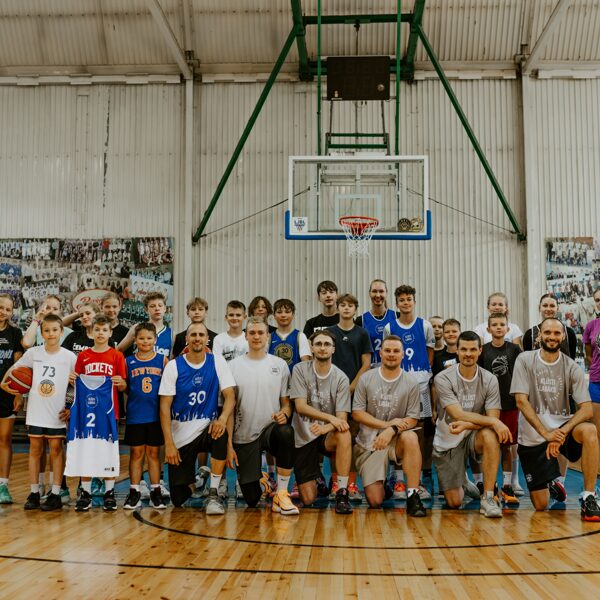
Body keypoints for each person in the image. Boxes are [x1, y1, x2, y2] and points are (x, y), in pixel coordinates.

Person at [512, 318, 600, 520]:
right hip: (533, 437)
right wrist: (547, 434)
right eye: (548, 332)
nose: (552, 337)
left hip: (562, 432)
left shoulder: (571, 367)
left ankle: (588, 496)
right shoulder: (524, 360)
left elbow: (586, 410)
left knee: (589, 430)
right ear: (540, 335)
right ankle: (551, 481)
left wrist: (561, 433)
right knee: (541, 505)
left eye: (557, 333)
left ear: (563, 337)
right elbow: (520, 402)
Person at [158, 322, 235, 514]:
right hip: (181, 434)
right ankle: (196, 482)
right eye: (193, 335)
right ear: (187, 339)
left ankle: (214, 493)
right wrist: (169, 443)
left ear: (207, 339)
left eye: (201, 335)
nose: (197, 338)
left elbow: (230, 396)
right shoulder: (174, 366)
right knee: (178, 498)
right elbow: (164, 407)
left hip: (207, 428)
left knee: (220, 433)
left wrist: (222, 418)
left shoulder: (217, 361)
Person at [2, 314, 76, 511]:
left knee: (57, 450)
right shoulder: (33, 353)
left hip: (58, 411)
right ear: (41, 334)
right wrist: (4, 383)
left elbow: (76, 385)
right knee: (35, 449)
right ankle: (34, 492)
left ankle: (55, 493)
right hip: (36, 409)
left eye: (54, 330)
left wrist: (71, 407)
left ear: (61, 332)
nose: (50, 334)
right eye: (46, 331)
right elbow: (15, 369)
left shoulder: (69, 357)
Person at [433, 331, 508, 518]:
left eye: (473, 349)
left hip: (473, 435)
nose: (468, 353)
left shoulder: (489, 379)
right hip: (448, 440)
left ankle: (488, 497)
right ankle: (463, 481)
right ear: (457, 351)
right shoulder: (443, 378)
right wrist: (491, 421)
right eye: (464, 349)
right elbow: (457, 414)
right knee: (454, 502)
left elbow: (492, 416)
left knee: (491, 436)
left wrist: (470, 425)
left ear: (480, 350)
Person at [227, 317, 298, 515]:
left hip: (270, 429)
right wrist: (229, 444)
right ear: (246, 336)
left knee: (286, 433)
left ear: (268, 336)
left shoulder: (279, 364)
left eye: (261, 333)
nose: (256, 337)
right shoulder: (233, 366)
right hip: (244, 435)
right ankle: (261, 479)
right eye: (252, 333)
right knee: (252, 499)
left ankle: (282, 493)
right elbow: (229, 409)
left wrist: (285, 413)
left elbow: (286, 403)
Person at [352, 336, 427, 516]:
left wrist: (391, 430)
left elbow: (413, 419)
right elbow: (357, 413)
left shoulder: (411, 382)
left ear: (403, 354)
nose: (391, 355)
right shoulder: (366, 379)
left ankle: (413, 495)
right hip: (370, 444)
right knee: (375, 501)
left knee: (411, 437)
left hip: (396, 440)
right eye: (387, 351)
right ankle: (385, 483)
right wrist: (386, 424)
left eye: (396, 351)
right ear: (380, 353)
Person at [289, 330, 352, 514]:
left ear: (333, 349)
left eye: (326, 344)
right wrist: (330, 418)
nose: (322, 348)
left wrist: (327, 426)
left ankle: (342, 491)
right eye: (318, 344)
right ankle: (316, 477)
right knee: (308, 499)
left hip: (326, 434)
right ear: (312, 347)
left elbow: (342, 419)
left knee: (344, 434)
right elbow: (300, 406)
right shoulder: (300, 369)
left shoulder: (341, 378)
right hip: (303, 436)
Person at [70, 315, 128, 511]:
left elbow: (123, 386)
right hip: (86, 411)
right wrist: (73, 379)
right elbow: (76, 382)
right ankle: (85, 492)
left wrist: (121, 383)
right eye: (97, 330)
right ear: (91, 332)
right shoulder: (83, 356)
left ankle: (109, 492)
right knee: (86, 450)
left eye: (105, 330)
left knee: (108, 452)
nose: (101, 333)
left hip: (109, 412)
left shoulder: (117, 356)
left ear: (110, 333)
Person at [384, 285, 435, 500]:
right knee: (397, 425)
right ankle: (396, 479)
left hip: (421, 383)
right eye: (402, 300)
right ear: (396, 304)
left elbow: (430, 353)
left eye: (409, 299)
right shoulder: (390, 326)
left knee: (420, 431)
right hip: (397, 384)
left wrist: (422, 375)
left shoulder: (425, 325)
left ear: (414, 301)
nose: (405, 303)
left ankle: (418, 480)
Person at [328, 293, 372, 500]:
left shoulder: (362, 333)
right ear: (338, 308)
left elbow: (366, 364)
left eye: (350, 305)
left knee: (351, 438)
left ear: (355, 309)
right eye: (343, 305)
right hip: (332, 392)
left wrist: (352, 387)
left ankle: (351, 484)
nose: (346, 308)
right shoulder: (330, 333)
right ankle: (336, 483)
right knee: (334, 437)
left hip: (354, 392)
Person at [478, 312, 522, 505]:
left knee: (507, 446)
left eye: (501, 324)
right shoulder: (483, 350)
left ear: (507, 328)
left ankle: (506, 485)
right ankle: (490, 486)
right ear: (488, 329)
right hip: (489, 406)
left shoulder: (514, 350)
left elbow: (521, 377)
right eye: (494, 324)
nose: (498, 327)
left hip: (510, 404)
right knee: (491, 446)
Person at [123, 323, 168, 509]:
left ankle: (156, 491)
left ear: (155, 340)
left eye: (149, 338)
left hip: (156, 416)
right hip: (135, 415)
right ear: (135, 339)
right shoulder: (128, 361)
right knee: (136, 453)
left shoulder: (162, 360)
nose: (145, 341)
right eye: (141, 338)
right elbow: (125, 388)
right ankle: (134, 491)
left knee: (154, 454)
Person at [0, 293, 22, 504]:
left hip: (6, 393)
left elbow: (18, 368)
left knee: (5, 440)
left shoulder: (15, 334)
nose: (3, 312)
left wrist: (18, 394)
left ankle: (3, 485)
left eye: (7, 309)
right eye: (0, 307)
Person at [355, 279, 398, 365]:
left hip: (393, 366)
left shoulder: (397, 316)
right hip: (370, 369)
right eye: (374, 291)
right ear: (369, 293)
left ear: (386, 293)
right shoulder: (361, 320)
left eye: (381, 291)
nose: (378, 295)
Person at [119, 292, 172, 359]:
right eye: (152, 306)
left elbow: (173, 359)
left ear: (165, 309)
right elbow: (118, 350)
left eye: (160, 305)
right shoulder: (137, 328)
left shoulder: (172, 334)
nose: (157, 308)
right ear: (146, 309)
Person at [269, 298, 311, 373]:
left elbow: (306, 364)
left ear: (293, 315)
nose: (283, 315)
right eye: (279, 312)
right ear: (274, 315)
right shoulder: (269, 337)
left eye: (287, 312)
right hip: (274, 381)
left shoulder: (300, 336)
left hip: (294, 382)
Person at [582, 288, 600, 452]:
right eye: (597, 300)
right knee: (596, 428)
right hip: (596, 381)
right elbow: (589, 355)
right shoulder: (591, 326)